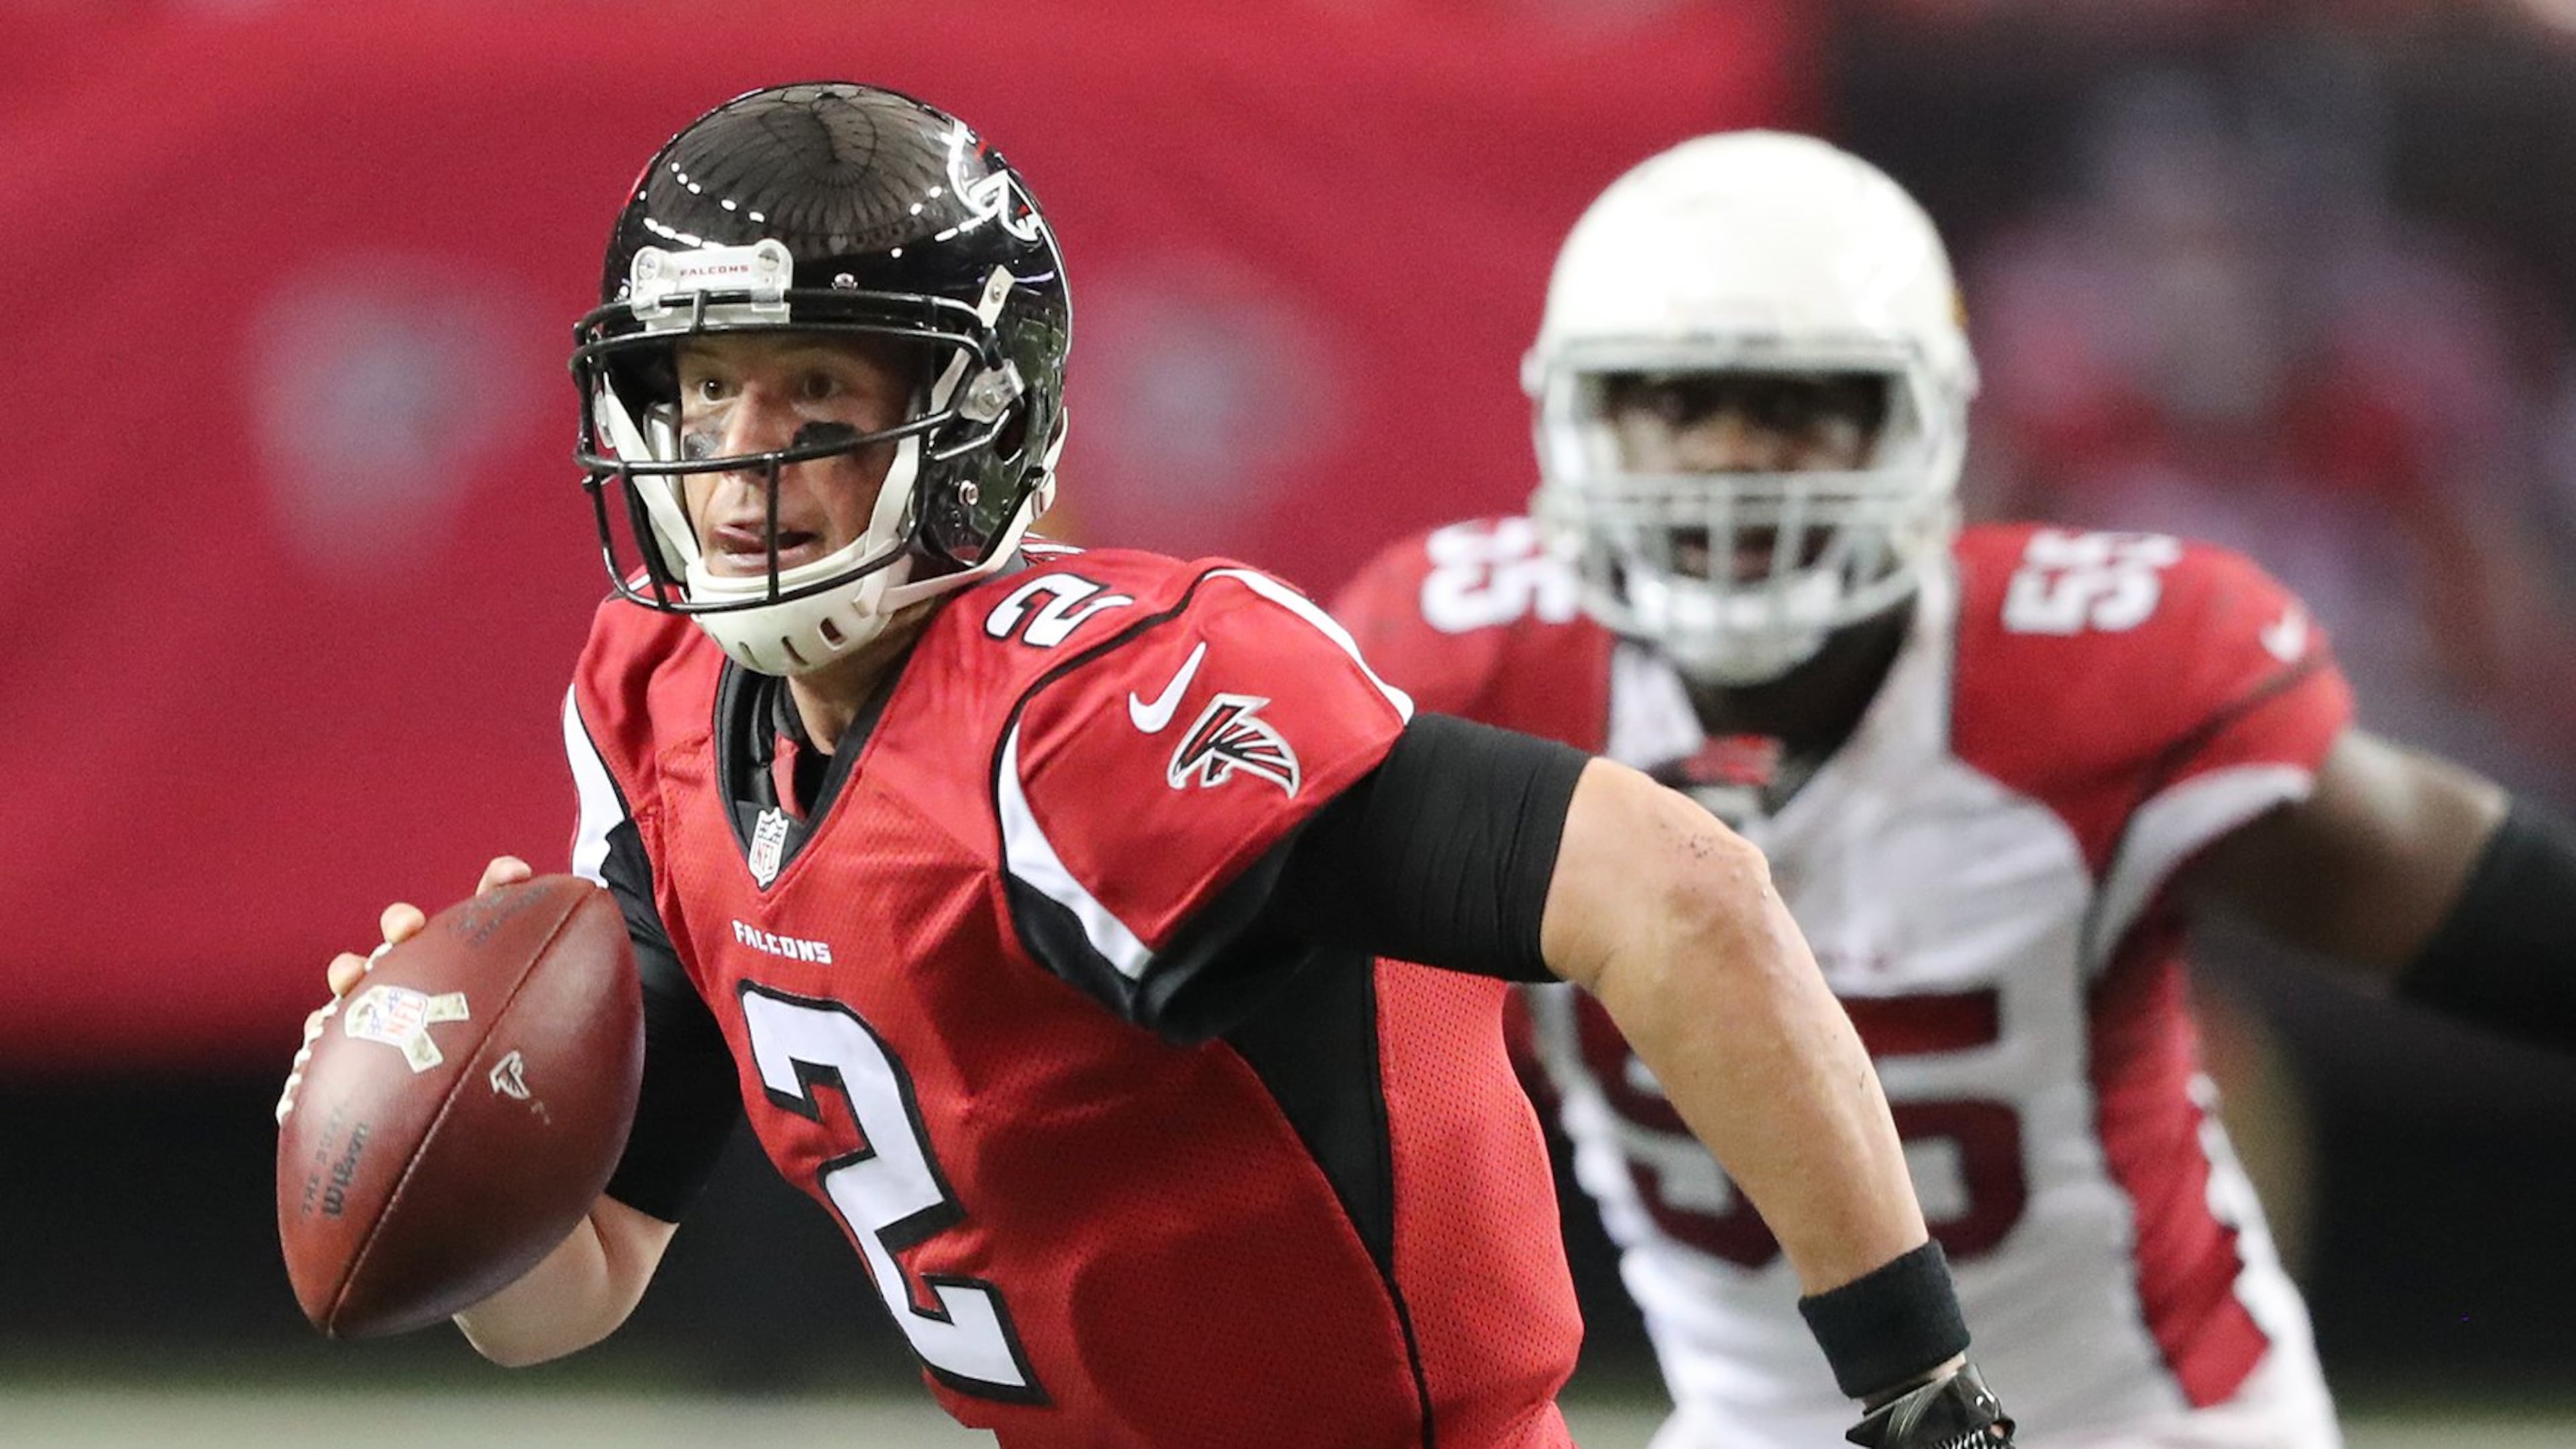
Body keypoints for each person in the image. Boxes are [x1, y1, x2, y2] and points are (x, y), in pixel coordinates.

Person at [289, 85, 2021, 1449]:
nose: (743, 466)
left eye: (817, 400)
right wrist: (450, 1138)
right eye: (704, 393)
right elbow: (581, 1284)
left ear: (978, 425)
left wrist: (1913, 1385)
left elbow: (1683, 891)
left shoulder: (1087, 713)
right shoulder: (657, 695)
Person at [1330, 129, 2576, 1449]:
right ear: (1570, 414)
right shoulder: (1468, 660)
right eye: (1673, 399)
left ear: (1925, 419)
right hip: (1754, 1425)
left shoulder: (2095, 673)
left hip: (2151, 1422)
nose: (1734, 457)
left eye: (1807, 404)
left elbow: (2481, 911)